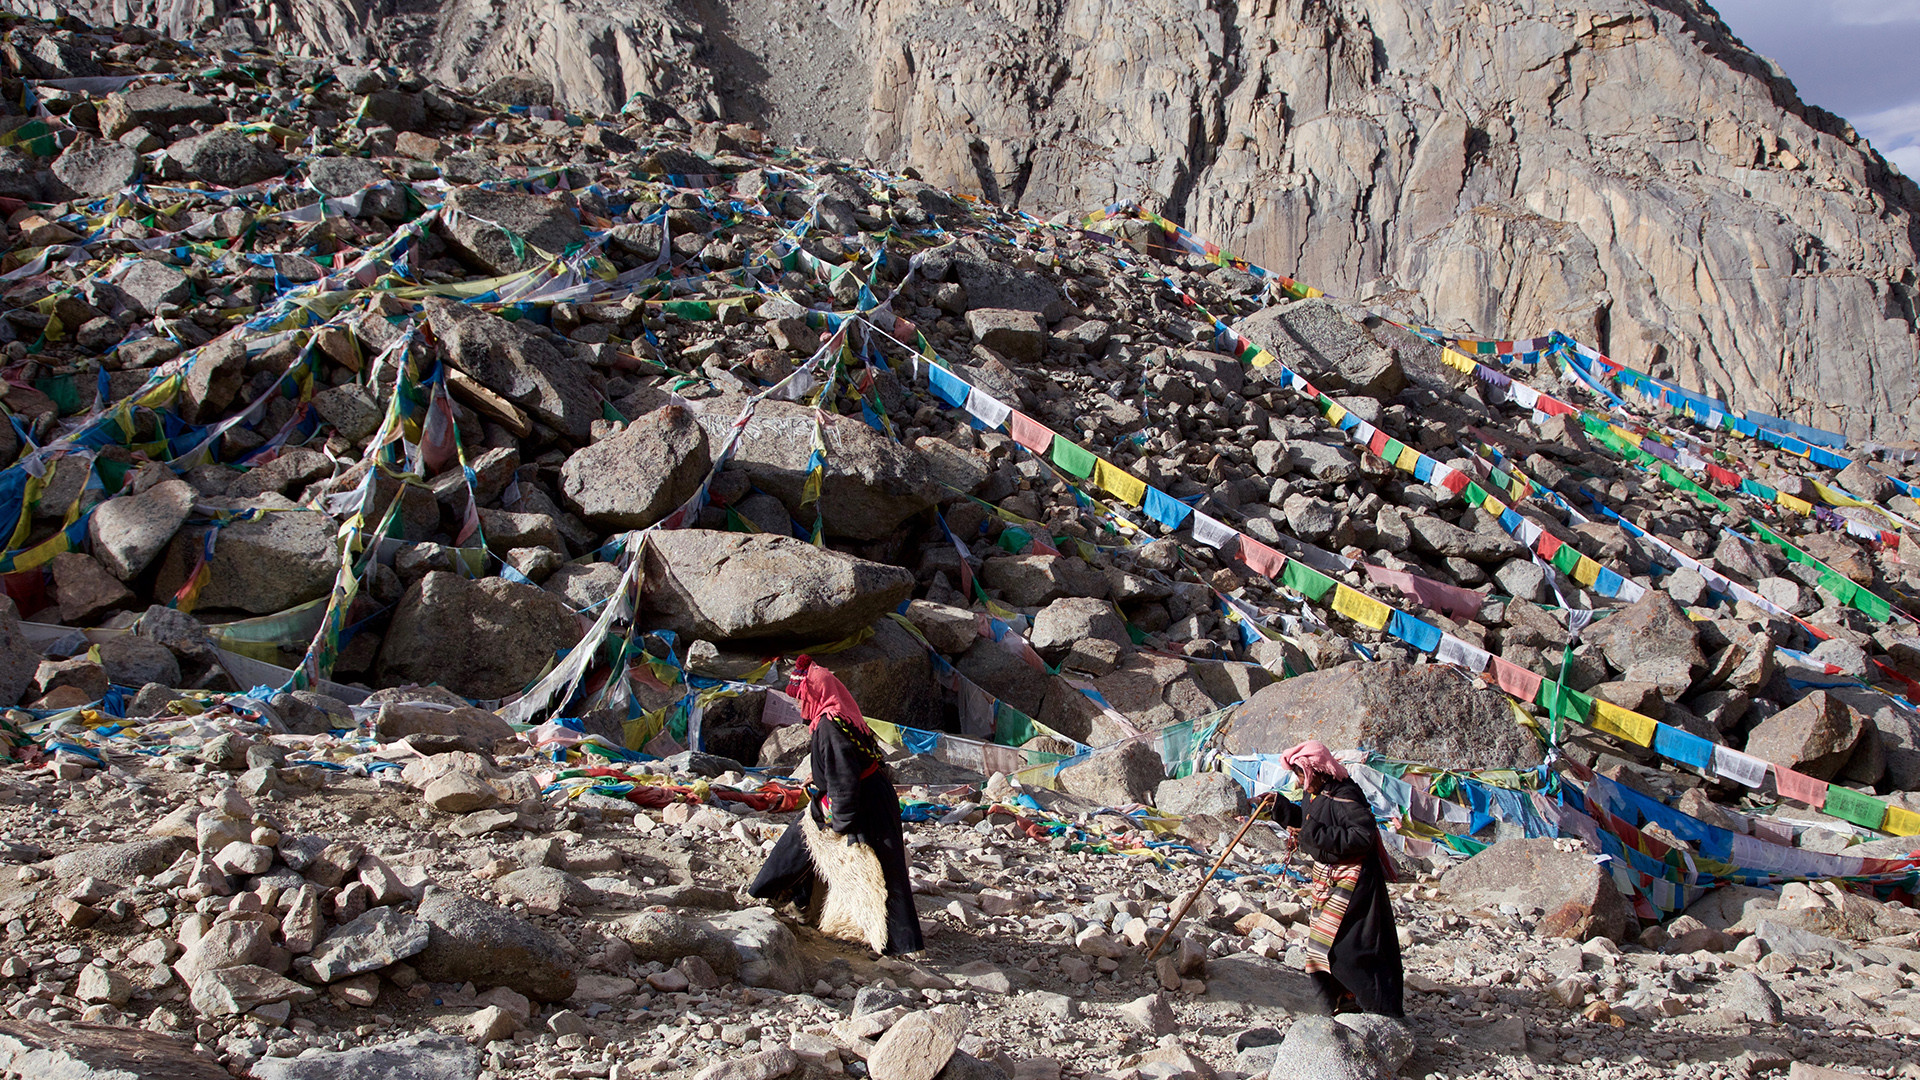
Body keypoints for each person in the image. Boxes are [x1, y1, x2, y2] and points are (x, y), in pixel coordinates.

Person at [748, 657, 924, 956]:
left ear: (815, 694)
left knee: (877, 865)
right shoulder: (842, 714)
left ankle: (898, 943)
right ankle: (793, 899)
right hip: (872, 795)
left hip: (860, 801)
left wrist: (844, 824)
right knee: (869, 860)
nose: (800, 704)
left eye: (803, 697)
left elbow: (844, 777)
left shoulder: (830, 726)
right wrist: (817, 776)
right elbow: (855, 760)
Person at [1266, 739, 1404, 1017]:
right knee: (1321, 945)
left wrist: (1315, 836)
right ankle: (1342, 997)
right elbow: (1307, 822)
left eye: (1301, 774)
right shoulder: (1314, 794)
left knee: (1350, 948)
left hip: (1356, 883)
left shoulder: (1346, 794)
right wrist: (1278, 807)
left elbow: (1362, 836)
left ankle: (1376, 1005)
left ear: (1316, 770)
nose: (1298, 781)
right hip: (1328, 880)